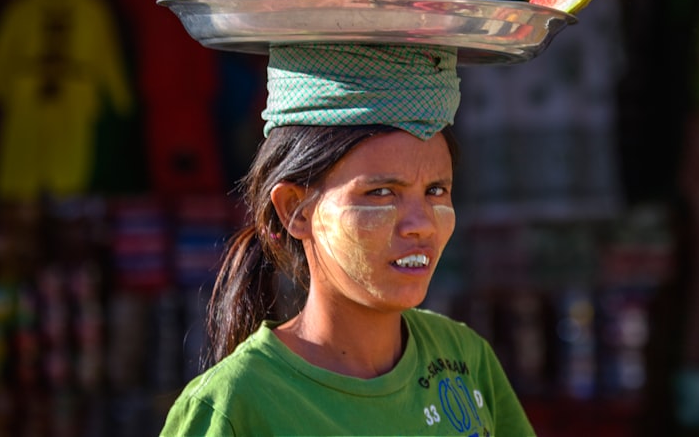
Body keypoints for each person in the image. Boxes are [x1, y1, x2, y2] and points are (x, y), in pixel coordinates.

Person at [159, 44, 535, 436]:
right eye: (382, 193)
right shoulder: (232, 406)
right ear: (295, 210)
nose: (421, 224)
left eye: (436, 191)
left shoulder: (464, 358)